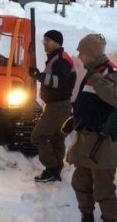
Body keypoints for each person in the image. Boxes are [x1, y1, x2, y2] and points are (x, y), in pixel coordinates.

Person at [65, 34, 117, 222]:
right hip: (88, 140)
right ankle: (87, 216)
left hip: (104, 143)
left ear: (91, 53)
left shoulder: (110, 72)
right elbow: (89, 101)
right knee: (80, 182)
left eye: (82, 53)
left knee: (103, 189)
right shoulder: (94, 70)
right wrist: (75, 118)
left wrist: (98, 79)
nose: (79, 57)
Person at [28, 30, 76, 183]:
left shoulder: (61, 60)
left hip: (57, 106)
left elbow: (58, 82)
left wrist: (38, 76)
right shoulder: (56, 58)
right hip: (58, 105)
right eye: (44, 40)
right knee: (56, 138)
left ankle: (51, 168)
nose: (44, 43)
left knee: (39, 136)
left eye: (47, 40)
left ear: (57, 42)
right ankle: (55, 170)